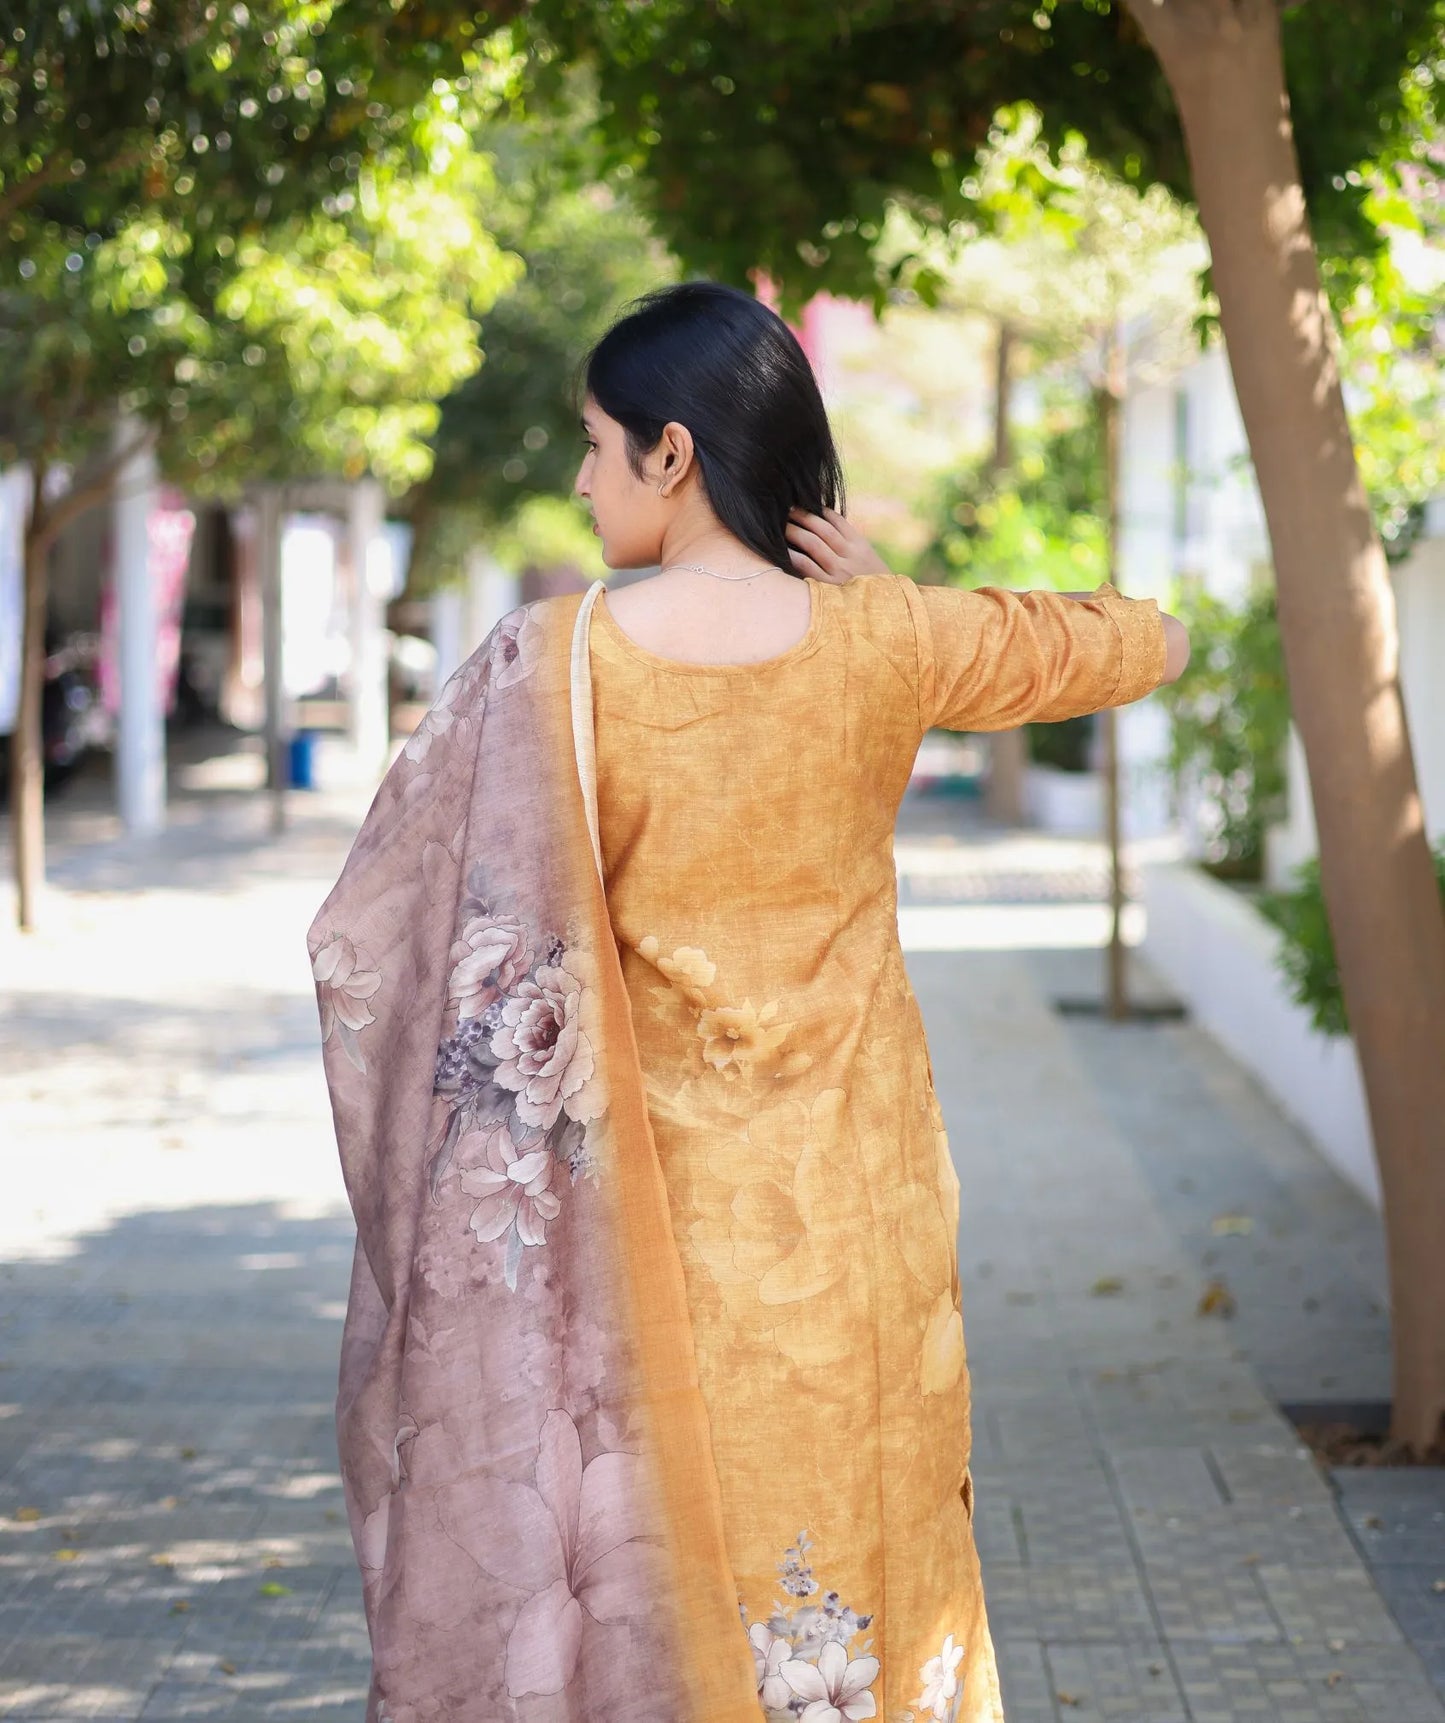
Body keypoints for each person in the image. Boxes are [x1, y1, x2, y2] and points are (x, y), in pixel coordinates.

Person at [310, 280, 1188, 1723]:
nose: (581, 479)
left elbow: (377, 937)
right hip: (851, 1215)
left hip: (628, 1231)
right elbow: (1143, 641)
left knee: (649, 1566)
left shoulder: (551, 664)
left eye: (594, 445)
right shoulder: (885, 642)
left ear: (669, 452)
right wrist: (884, 600)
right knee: (846, 1546)